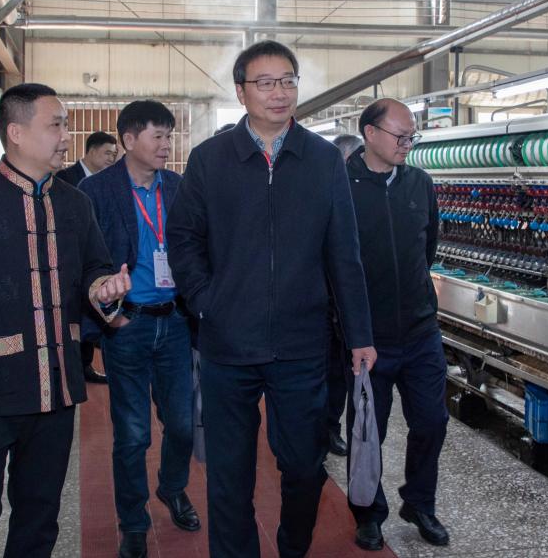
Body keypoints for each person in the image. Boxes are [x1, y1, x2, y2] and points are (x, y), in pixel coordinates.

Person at [167, 40, 377, 558]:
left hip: (301, 344)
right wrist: (206, 301)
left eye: (287, 81)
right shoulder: (211, 160)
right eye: (265, 83)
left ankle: (291, 546)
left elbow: (344, 253)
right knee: (229, 473)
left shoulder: (322, 160)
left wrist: (359, 335)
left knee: (304, 465)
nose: (279, 92)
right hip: (227, 344)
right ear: (241, 92)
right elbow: (184, 239)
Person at [0, 83, 131, 558]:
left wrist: (104, 289)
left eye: (65, 126)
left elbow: (95, 268)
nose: (65, 137)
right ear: (15, 132)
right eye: (55, 125)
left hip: (56, 387)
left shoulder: (75, 203)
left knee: (39, 514)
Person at [79, 101, 198, 558]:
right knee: (132, 434)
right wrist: (109, 316)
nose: (167, 145)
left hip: (175, 322)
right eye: (158, 136)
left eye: (170, 136)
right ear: (129, 140)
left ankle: (172, 487)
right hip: (126, 325)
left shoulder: (178, 187)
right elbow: (83, 262)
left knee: (182, 424)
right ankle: (133, 521)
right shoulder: (97, 191)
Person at [345, 98, 449, 551]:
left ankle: (420, 502)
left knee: (432, 420)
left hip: (421, 331)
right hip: (368, 337)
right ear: (370, 133)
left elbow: (428, 249)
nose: (408, 144)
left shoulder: (419, 183)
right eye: (400, 136)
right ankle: (368, 512)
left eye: (412, 137)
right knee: (368, 430)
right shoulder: (341, 186)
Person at [56, 130, 119, 384]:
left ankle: (85, 365)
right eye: (107, 153)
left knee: (90, 316)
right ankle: (73, 368)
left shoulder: (109, 182)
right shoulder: (64, 178)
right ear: (91, 151)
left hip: (97, 258)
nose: (111, 159)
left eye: (114, 155)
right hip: (72, 259)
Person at [325, 133, 363, 458]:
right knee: (324, 373)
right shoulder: (323, 193)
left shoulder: (362, 193)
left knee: (342, 374)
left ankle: (331, 430)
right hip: (322, 305)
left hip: (347, 306)